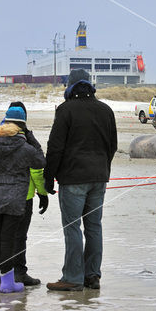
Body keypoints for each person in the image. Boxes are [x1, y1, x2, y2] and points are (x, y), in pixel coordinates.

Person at [45, 69, 118, 291]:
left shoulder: (65, 110)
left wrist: (49, 178)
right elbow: (112, 146)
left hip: (73, 178)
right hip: (98, 178)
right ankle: (92, 276)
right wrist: (103, 168)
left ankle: (73, 278)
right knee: (94, 226)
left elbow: (55, 148)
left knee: (72, 227)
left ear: (71, 87)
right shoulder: (106, 110)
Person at [0, 106, 46, 293]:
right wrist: (30, 137)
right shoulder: (24, 147)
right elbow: (40, 161)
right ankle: (7, 282)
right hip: (15, 200)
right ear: (22, 127)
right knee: (7, 240)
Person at [3, 102, 49, 286]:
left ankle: (0, 273)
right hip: (24, 196)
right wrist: (43, 193)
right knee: (19, 236)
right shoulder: (26, 140)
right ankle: (19, 273)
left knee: (0, 235)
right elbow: (37, 168)